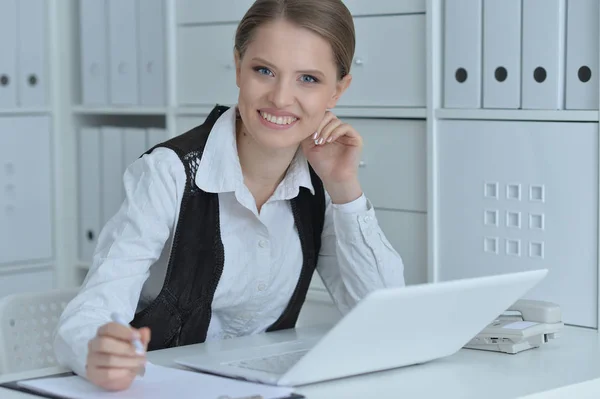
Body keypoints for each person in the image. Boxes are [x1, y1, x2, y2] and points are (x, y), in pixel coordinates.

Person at [54, 0, 406, 391]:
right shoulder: (169, 173)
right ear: (238, 67)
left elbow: (386, 321)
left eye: (308, 79)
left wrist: (345, 190)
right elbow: (90, 313)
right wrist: (97, 350)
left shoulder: (321, 184)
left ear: (338, 91)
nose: (281, 98)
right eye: (264, 70)